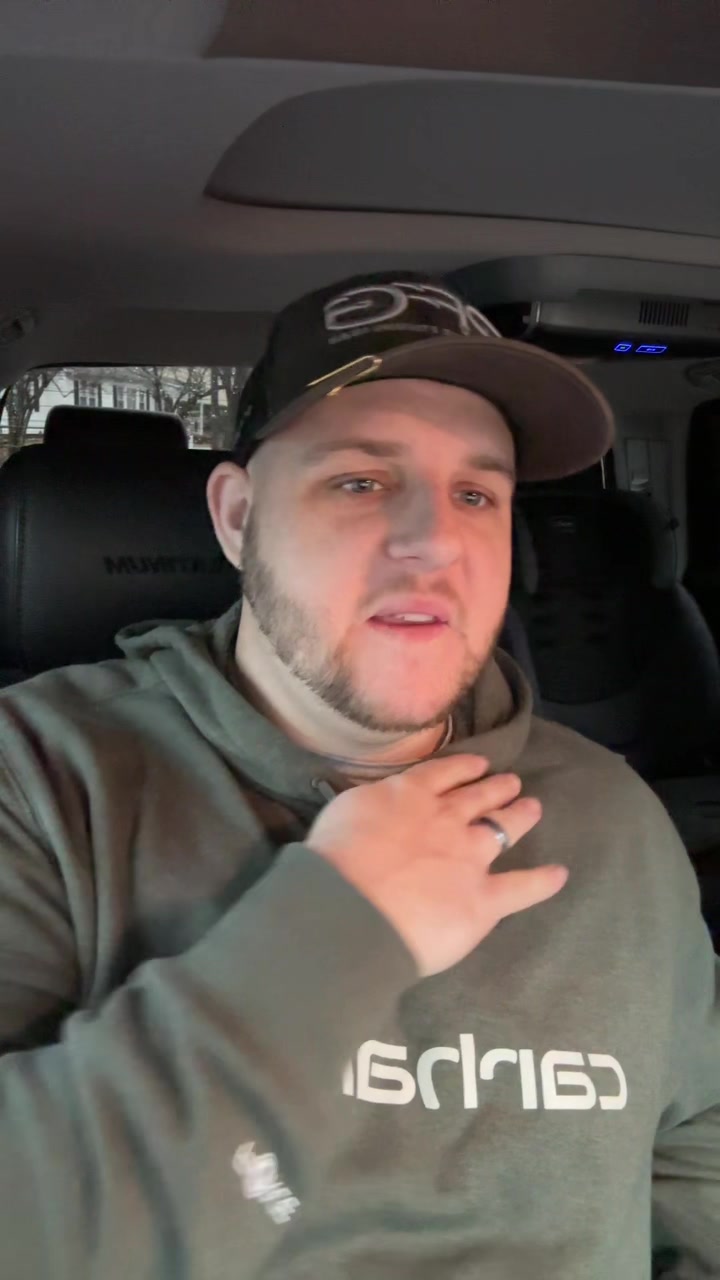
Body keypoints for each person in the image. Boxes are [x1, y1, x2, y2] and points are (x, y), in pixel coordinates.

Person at [0, 271, 716, 1280]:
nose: (435, 543)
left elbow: (694, 1141)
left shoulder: (613, 813)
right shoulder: (37, 777)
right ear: (237, 516)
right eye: (361, 481)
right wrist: (340, 932)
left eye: (477, 494)